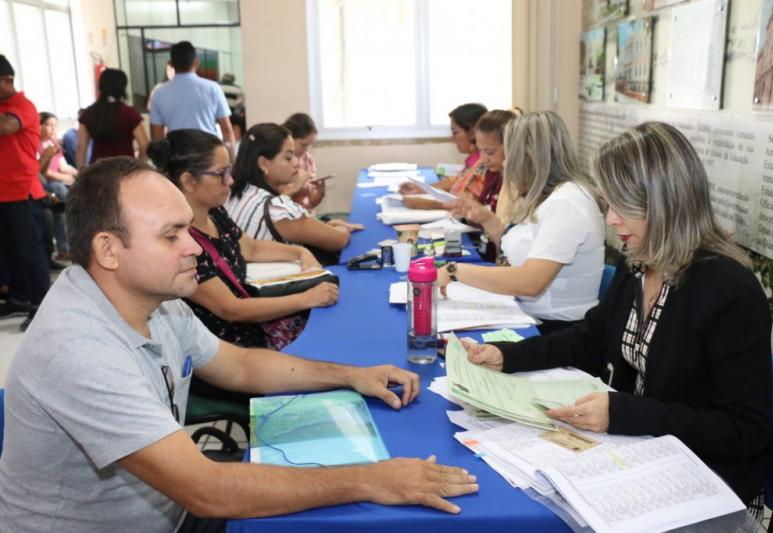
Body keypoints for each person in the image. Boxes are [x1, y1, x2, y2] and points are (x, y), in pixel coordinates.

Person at [0, 156, 479, 532]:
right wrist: (371, 478)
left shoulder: (156, 300)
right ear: (108, 250)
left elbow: (241, 366)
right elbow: (207, 489)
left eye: (188, 229)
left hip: (169, 512)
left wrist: (352, 376)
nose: (194, 246)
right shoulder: (79, 349)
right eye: (171, 235)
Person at [464, 121, 771, 508]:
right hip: (641, 448)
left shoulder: (730, 291)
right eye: (608, 204)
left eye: (621, 206)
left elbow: (744, 431)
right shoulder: (641, 261)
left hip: (704, 476)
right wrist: (508, 355)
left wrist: (626, 413)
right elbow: (590, 337)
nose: (610, 219)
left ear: (664, 202)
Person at [147, 129, 337, 364]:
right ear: (188, 181)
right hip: (230, 353)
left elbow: (251, 249)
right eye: (221, 174)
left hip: (254, 330)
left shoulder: (214, 212)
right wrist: (306, 298)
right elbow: (232, 309)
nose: (231, 181)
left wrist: (300, 252)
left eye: (229, 171)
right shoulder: (184, 244)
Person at [439, 111, 605, 333]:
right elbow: (521, 249)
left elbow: (530, 282)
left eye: (510, 155)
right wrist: (487, 219)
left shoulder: (567, 203)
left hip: (557, 330)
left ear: (529, 157)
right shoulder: (545, 195)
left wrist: (455, 271)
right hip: (529, 315)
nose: (506, 163)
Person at [225, 123, 362, 265]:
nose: (296, 163)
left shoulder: (233, 194)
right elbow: (339, 240)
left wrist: (324, 227)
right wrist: (342, 229)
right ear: (264, 164)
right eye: (288, 157)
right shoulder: (276, 208)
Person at [0, 55, 51, 331]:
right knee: (10, 252)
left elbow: (6, 127)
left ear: (8, 80)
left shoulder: (23, 106)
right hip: (2, 194)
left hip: (23, 193)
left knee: (31, 254)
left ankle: (42, 306)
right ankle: (19, 298)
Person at [399, 103, 488, 211]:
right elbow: (456, 181)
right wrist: (422, 189)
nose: (452, 137)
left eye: (455, 132)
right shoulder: (473, 159)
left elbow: (471, 207)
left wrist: (428, 204)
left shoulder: (484, 165)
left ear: (472, 133)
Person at [149, 41, 235, 148]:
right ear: (197, 62)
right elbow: (226, 129)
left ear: (170, 63)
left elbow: (157, 137)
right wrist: (233, 156)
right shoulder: (213, 88)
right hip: (209, 152)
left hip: (177, 153)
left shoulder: (159, 94)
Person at [77, 68, 148, 167]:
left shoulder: (88, 113)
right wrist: (140, 166)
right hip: (125, 168)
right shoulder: (130, 113)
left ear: (100, 86)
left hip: (98, 169)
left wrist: (81, 170)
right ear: (122, 88)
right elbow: (144, 145)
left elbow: (81, 147)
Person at [39, 111, 77, 259]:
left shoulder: (53, 142)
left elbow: (63, 166)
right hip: (45, 184)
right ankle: (64, 247)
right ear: (39, 126)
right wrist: (66, 178)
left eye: (55, 125)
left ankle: (73, 244)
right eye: (49, 125)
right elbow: (44, 173)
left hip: (58, 182)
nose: (53, 129)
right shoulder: (36, 144)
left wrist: (78, 174)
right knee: (60, 191)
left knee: (79, 185)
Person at [283, 112, 324, 211]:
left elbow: (311, 202)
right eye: (303, 145)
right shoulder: (280, 163)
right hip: (289, 216)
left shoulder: (307, 159)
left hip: (306, 214)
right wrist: (297, 185)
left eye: (310, 145)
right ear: (290, 138)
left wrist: (320, 192)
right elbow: (277, 203)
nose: (306, 150)